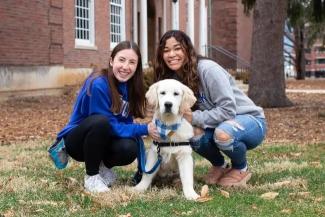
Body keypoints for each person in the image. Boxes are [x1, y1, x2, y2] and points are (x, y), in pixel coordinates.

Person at [153, 30, 267, 187]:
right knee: (191, 133)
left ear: (188, 49)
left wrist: (194, 117)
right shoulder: (174, 80)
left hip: (250, 120)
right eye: (166, 50)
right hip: (218, 123)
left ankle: (240, 167)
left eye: (177, 48)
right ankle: (219, 165)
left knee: (223, 134)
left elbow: (228, 110)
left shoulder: (208, 69)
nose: (171, 54)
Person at [52, 41, 159, 193]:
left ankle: (103, 168)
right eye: (121, 60)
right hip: (78, 142)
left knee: (130, 147)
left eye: (132, 62)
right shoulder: (98, 84)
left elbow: (123, 122)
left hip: (104, 137)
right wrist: (144, 129)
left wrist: (138, 132)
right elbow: (108, 124)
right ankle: (92, 176)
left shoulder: (130, 86)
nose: (125, 66)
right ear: (111, 61)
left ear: (137, 67)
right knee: (100, 122)